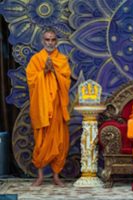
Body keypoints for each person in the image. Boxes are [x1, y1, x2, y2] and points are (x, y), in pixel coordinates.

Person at [26, 27, 71, 187]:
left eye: (53, 40)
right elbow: (31, 81)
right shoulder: (36, 60)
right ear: (42, 41)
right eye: (47, 39)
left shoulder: (62, 60)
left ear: (56, 41)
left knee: (59, 141)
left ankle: (56, 176)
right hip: (42, 108)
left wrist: (55, 73)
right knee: (41, 142)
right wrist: (44, 72)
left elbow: (66, 81)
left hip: (57, 107)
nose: (50, 42)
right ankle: (40, 176)